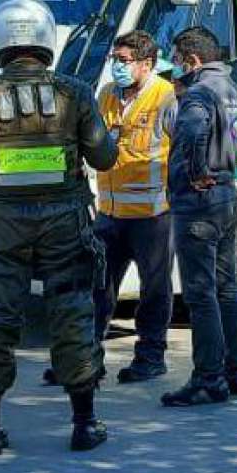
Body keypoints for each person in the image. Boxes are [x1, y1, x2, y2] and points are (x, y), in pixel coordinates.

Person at [0, 0, 119, 457]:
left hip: (0, 229)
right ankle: (84, 424)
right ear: (44, 39)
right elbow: (104, 157)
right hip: (65, 225)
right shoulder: (73, 92)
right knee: (73, 314)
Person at [76, 31, 177, 384]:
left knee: (154, 290)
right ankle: (85, 361)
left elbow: (183, 150)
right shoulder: (106, 94)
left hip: (152, 215)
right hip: (109, 212)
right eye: (114, 60)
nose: (117, 67)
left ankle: (150, 358)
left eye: (124, 61)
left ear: (146, 64)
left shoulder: (166, 97)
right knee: (98, 289)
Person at [161, 27, 237, 407]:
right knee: (227, 288)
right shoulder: (234, 90)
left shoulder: (199, 92)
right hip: (228, 194)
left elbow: (194, 133)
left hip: (199, 200)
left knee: (200, 295)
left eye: (178, 59)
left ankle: (208, 379)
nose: (175, 67)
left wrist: (196, 171)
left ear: (192, 60)